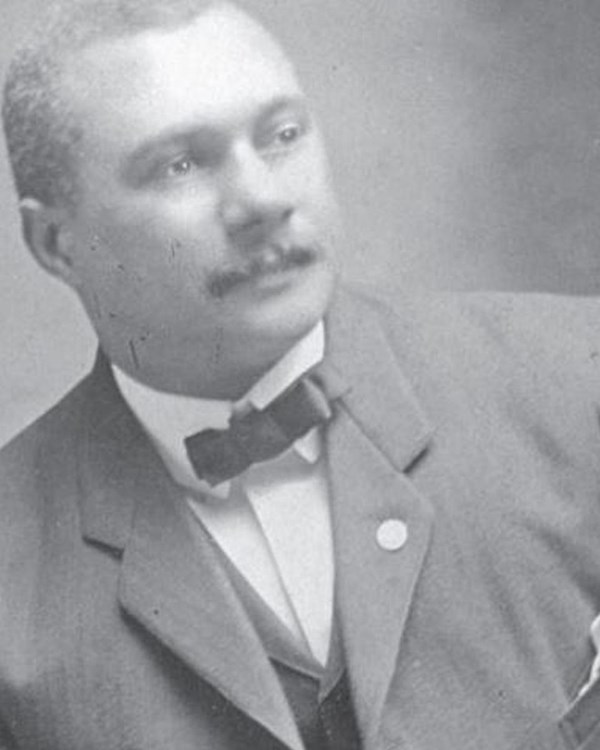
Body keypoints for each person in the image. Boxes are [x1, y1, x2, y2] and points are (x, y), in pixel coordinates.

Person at [2, 0, 600, 748]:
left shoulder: (579, 383)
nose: (262, 201)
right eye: (180, 164)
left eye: (281, 136)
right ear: (55, 243)